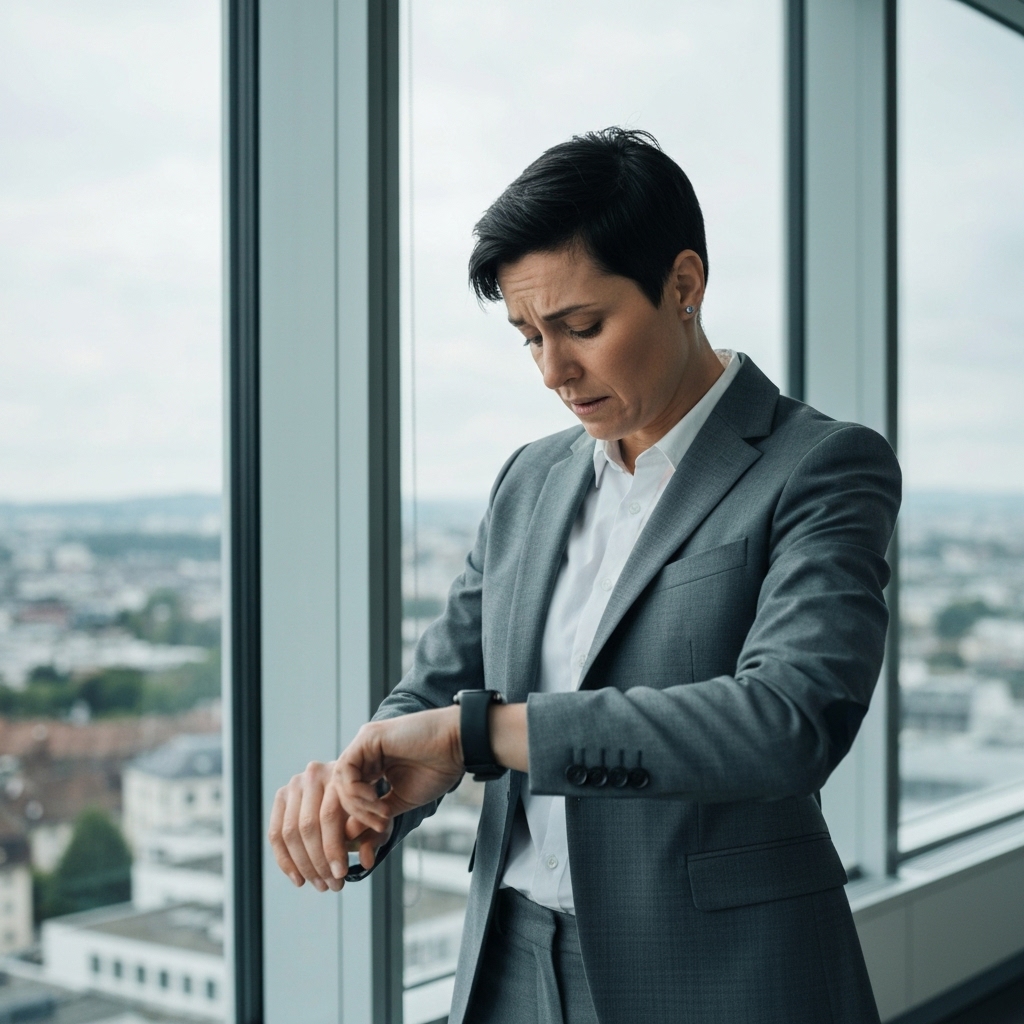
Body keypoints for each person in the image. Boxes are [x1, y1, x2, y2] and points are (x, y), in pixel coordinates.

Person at [268, 127, 900, 1024]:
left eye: (582, 328)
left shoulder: (820, 465)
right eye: (529, 337)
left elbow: (787, 722)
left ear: (684, 285)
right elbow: (440, 688)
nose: (554, 371)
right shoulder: (530, 478)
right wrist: (360, 785)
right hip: (510, 963)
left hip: (721, 975)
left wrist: (478, 736)